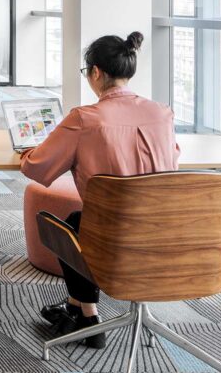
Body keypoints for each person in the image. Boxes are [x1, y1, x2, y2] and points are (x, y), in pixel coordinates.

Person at [19, 32, 178, 348]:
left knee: (66, 224)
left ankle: (88, 314)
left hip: (113, 240)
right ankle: (78, 308)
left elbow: (37, 168)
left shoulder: (85, 119)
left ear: (95, 72)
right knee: (81, 220)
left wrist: (26, 151)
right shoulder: (163, 113)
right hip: (168, 234)